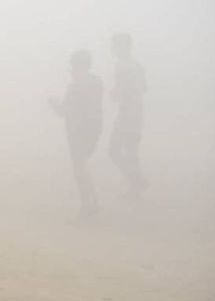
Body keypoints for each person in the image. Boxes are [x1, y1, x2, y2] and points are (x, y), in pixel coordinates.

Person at [50, 50, 103, 217]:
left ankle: (88, 206)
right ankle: (92, 203)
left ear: (77, 66)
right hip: (93, 131)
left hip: (77, 132)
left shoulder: (74, 87)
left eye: (73, 66)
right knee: (82, 167)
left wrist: (53, 103)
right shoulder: (97, 83)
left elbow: (64, 111)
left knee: (80, 169)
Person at [108, 33, 148, 198]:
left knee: (113, 150)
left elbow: (120, 92)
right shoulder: (137, 65)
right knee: (131, 150)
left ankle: (136, 178)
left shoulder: (121, 65)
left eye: (114, 45)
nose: (112, 49)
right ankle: (134, 189)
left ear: (123, 46)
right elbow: (144, 88)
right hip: (138, 111)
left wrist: (114, 93)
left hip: (126, 112)